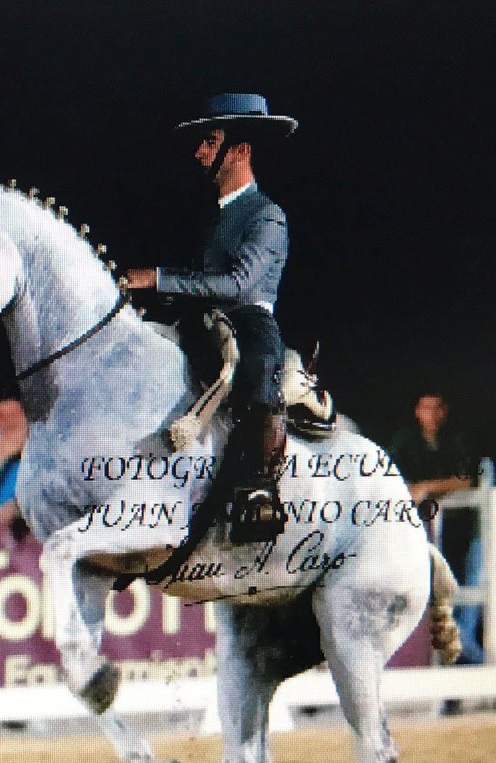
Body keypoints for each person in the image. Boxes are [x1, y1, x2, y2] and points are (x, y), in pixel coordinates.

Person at [125, 92, 296, 544]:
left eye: (209, 141)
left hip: (248, 321)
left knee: (259, 362)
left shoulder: (267, 215)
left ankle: (259, 489)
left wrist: (159, 279)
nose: (200, 152)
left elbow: (238, 284)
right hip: (205, 320)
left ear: (239, 151)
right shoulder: (211, 218)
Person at [388, 391, 485, 677]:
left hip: (460, 535)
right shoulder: (405, 442)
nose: (431, 414)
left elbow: (468, 480)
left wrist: (428, 487)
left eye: (437, 408)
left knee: (460, 600)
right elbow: (391, 479)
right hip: (416, 541)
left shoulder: (457, 440)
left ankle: (470, 664)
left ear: (445, 411)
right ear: (417, 411)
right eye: (425, 408)